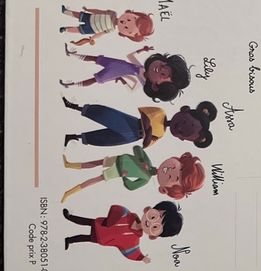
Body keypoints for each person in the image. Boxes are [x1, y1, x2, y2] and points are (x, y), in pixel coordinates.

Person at [61, 147, 205, 202]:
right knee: (95, 163)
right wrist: (141, 158)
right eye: (180, 167)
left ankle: (69, 192)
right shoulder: (148, 163)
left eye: (175, 178)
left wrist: (124, 176)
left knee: (95, 179)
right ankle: (70, 165)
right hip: (119, 158)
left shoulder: (146, 179)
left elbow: (131, 186)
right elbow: (136, 149)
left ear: (164, 189)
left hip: (117, 171)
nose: (172, 171)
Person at [62, 97, 217, 148]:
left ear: (181, 138)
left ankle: (74, 137)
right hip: (129, 123)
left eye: (183, 133)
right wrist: (148, 130)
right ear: (184, 110)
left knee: (102, 139)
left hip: (130, 137)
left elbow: (145, 144)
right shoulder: (160, 113)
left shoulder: (161, 134)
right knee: (103, 114)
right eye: (184, 123)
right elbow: (143, 113)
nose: (180, 128)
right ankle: (74, 106)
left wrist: (148, 134)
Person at [59, 44, 190, 102]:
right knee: (96, 59)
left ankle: (71, 84)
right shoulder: (141, 68)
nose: (160, 69)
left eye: (163, 75)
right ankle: (72, 54)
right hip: (117, 64)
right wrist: (142, 50)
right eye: (163, 66)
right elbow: (130, 56)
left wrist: (122, 80)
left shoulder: (143, 81)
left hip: (115, 72)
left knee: (95, 79)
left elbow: (132, 87)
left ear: (156, 86)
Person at [63, 202, 183, 262]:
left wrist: (142, 258)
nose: (150, 223)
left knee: (85, 238)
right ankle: (70, 217)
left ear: (153, 236)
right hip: (100, 224)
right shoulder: (128, 215)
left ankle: (69, 240)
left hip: (103, 238)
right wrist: (110, 221)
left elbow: (132, 253)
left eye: (155, 227)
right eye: (153, 217)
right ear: (147, 210)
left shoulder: (133, 241)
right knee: (85, 221)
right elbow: (116, 208)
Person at [60, 5, 154, 45]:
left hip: (92, 29)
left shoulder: (111, 29)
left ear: (124, 34)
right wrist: (88, 10)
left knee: (78, 30)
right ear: (130, 13)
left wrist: (93, 38)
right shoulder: (112, 13)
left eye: (126, 28)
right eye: (129, 19)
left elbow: (101, 33)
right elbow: (99, 11)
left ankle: (65, 29)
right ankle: (65, 11)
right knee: (77, 15)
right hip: (90, 17)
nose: (124, 23)